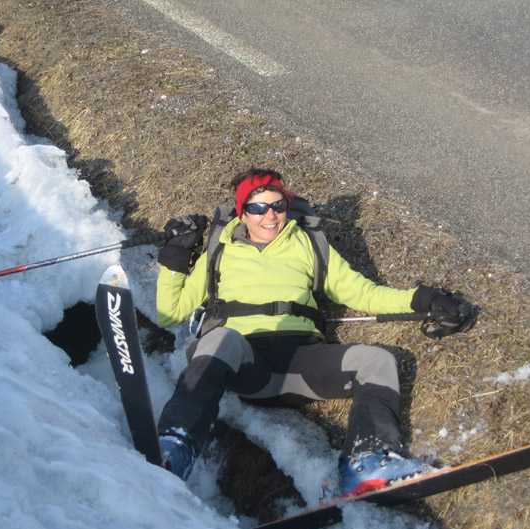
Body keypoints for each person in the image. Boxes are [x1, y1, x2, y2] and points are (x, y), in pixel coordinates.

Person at [155, 168, 473, 497]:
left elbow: (363, 293)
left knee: (377, 360)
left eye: (277, 206)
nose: (270, 216)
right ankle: (176, 445)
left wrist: (423, 299)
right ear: (242, 213)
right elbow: (169, 313)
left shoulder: (306, 244)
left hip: (301, 364)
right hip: (246, 363)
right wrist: (175, 258)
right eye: (258, 208)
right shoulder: (220, 252)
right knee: (222, 338)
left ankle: (370, 461)